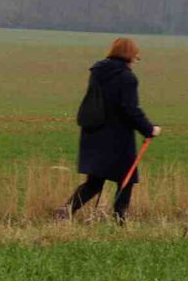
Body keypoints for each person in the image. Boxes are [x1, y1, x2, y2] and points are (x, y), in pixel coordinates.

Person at [55, 37, 161, 223]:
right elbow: (130, 110)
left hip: (94, 134)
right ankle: (120, 220)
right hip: (118, 139)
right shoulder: (127, 78)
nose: (137, 60)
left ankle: (66, 211)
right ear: (129, 55)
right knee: (126, 180)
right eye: (136, 56)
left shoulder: (98, 72)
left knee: (94, 182)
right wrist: (149, 129)